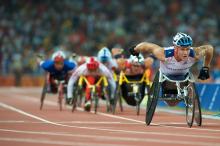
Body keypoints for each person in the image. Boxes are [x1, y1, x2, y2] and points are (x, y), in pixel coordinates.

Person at [129, 32, 214, 105]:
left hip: (183, 77)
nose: (185, 52)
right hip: (166, 78)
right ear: (176, 48)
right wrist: (136, 49)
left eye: (187, 49)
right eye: (182, 49)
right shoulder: (164, 54)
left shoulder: (195, 54)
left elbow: (209, 49)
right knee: (171, 103)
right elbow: (148, 46)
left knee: (175, 102)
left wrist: (205, 67)